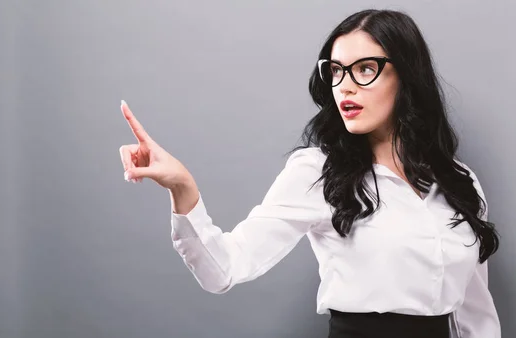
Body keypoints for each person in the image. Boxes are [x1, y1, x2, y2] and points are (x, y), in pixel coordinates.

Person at [119, 8, 501, 338]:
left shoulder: (458, 182)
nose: (345, 86)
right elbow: (225, 268)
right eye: (335, 71)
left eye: (365, 69)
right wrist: (183, 188)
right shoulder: (318, 172)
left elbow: (476, 315)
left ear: (407, 76)